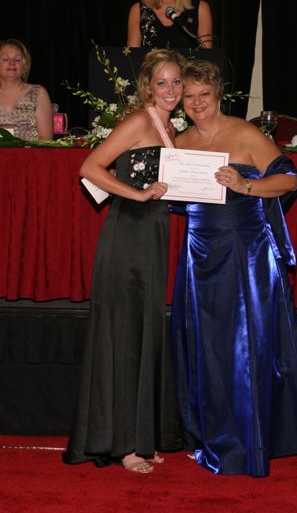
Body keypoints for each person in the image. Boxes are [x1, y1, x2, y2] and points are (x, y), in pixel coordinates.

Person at [171, 59, 297, 476]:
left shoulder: (243, 132)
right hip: (198, 253)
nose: (197, 102)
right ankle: (212, 433)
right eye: (189, 96)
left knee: (243, 345)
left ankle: (248, 438)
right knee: (206, 344)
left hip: (245, 252)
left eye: (204, 94)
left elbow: (290, 178)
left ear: (218, 94)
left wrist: (246, 185)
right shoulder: (180, 140)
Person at [62, 49, 185, 474]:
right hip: (127, 235)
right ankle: (124, 445)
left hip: (151, 236)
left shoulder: (170, 126)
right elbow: (89, 166)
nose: (171, 90)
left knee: (145, 331)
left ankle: (141, 435)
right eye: (162, 83)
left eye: (177, 82)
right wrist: (136, 193)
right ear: (147, 87)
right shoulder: (138, 120)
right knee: (126, 333)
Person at [0, 38, 53, 141]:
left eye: (18, 59)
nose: (12, 63)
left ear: (24, 66)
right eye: (5, 59)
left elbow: (45, 140)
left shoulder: (38, 93)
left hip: (30, 157)